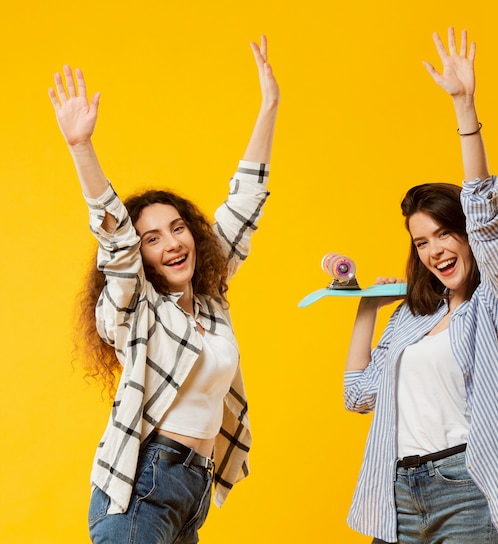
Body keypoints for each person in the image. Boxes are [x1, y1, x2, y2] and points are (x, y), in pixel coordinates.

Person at [48, 35, 279, 543]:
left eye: (178, 228)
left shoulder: (212, 300)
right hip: (141, 487)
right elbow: (115, 242)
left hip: (191, 492)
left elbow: (245, 203)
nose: (172, 244)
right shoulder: (136, 309)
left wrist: (269, 107)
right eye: (152, 238)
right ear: (143, 255)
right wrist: (81, 148)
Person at [342, 28, 498, 543]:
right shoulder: (411, 320)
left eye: (445, 233)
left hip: (469, 487)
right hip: (399, 494)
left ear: (466, 235)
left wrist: (464, 107)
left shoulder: (496, 305)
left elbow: (485, 213)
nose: (434, 251)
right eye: (422, 243)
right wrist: (367, 308)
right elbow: (357, 395)